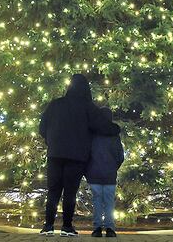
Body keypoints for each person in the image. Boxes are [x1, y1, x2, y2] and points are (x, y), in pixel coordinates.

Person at [39, 74, 120, 237]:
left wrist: (52, 142)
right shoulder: (87, 107)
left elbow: (42, 127)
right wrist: (116, 129)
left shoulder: (55, 104)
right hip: (76, 156)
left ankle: (48, 225)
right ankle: (67, 226)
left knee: (53, 190)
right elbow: (102, 126)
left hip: (55, 154)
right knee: (70, 191)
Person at [86, 107, 123, 238]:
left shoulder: (92, 134)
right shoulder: (114, 136)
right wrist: (113, 167)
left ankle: (97, 229)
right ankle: (110, 229)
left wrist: (88, 170)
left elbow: (87, 154)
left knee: (96, 201)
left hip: (94, 173)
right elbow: (120, 156)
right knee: (109, 202)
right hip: (110, 174)